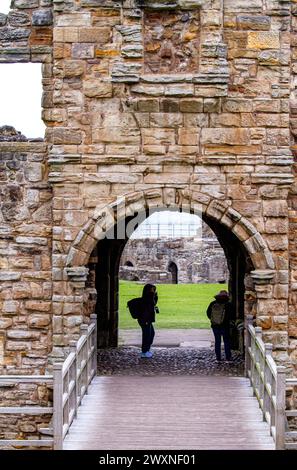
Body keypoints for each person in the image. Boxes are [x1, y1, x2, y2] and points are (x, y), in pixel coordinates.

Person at [206, 290, 234, 363]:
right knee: (226, 341)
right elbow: (232, 315)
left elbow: (208, 313)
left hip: (215, 325)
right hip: (225, 326)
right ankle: (228, 358)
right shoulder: (228, 304)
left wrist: (214, 320)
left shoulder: (212, 303)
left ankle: (218, 358)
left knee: (217, 341)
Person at [138, 283, 159, 359]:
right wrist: (146, 320)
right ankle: (144, 352)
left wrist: (155, 296)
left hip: (147, 319)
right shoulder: (147, 299)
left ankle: (147, 349)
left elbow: (153, 304)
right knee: (146, 335)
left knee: (151, 333)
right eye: (152, 289)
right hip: (145, 319)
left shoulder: (150, 297)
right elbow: (147, 309)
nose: (153, 291)